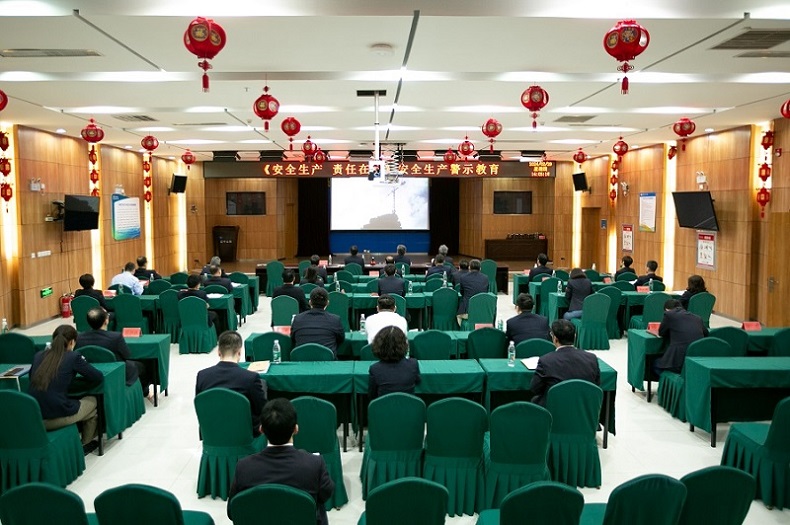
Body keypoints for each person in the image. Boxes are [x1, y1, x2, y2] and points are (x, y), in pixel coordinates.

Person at [227, 398, 334, 525]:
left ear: (261, 430)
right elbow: (326, 494)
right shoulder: (314, 464)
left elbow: (232, 511)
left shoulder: (243, 467)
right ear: (296, 429)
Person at [28, 325, 104, 453]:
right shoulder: (73, 356)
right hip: (55, 417)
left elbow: (32, 378)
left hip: (35, 415)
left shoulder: (38, 355)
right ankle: (85, 444)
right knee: (93, 401)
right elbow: (97, 376)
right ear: (72, 342)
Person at [196, 331, 268, 437]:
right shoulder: (250, 378)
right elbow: (262, 409)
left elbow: (201, 409)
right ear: (239, 352)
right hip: (244, 437)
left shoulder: (202, 376)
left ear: (219, 352)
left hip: (213, 436)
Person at [76, 307, 149, 396]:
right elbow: (127, 355)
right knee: (141, 366)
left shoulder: (79, 338)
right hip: (116, 373)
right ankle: (145, 393)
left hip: (90, 373)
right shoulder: (116, 337)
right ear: (106, 321)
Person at [529, 320, 600, 406]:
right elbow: (596, 386)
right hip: (583, 407)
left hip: (555, 409)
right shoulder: (592, 358)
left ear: (555, 339)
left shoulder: (545, 361)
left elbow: (535, 388)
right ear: (575, 336)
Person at [654, 299, 708, 376]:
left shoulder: (669, 315)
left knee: (656, 364)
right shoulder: (697, 318)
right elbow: (706, 333)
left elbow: (661, 332)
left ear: (667, 309)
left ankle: (672, 381)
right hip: (697, 361)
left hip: (678, 361)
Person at [369, 327, 420, 399]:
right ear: (404, 344)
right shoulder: (413, 364)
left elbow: (372, 395)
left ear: (378, 345)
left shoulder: (375, 369)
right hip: (409, 405)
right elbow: (418, 381)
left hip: (383, 405)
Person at [291, 288, 345, 355]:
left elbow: (293, 339)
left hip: (301, 358)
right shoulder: (335, 320)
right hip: (327, 360)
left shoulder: (297, 319)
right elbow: (341, 339)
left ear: (310, 302)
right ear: (327, 303)